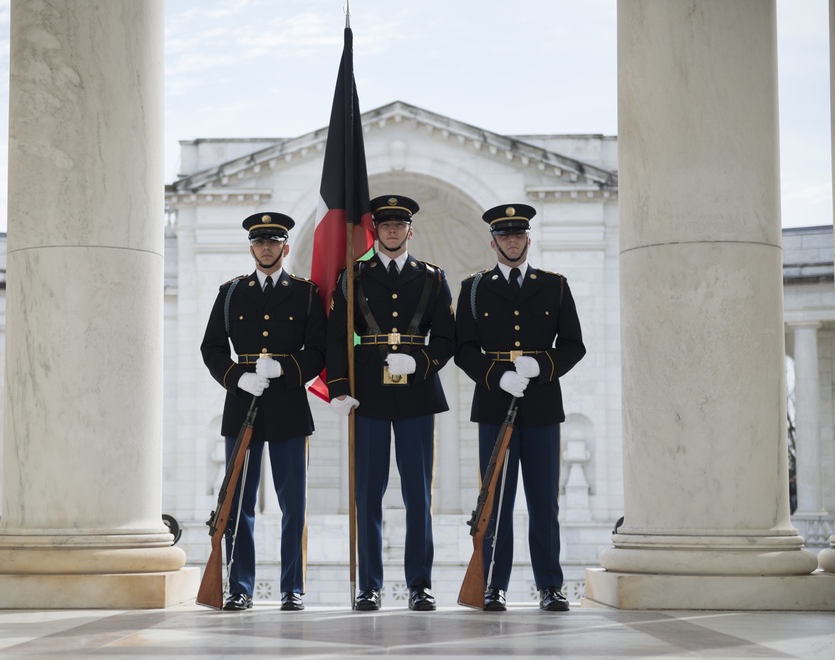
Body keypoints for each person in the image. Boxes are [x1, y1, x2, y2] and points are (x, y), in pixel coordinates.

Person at [326, 195, 456, 612]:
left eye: (400, 225)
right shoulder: (354, 276)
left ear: (410, 230)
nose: (393, 231)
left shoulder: (433, 278)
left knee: (419, 494)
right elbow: (336, 336)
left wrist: (420, 362)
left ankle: (420, 584)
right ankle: (370, 585)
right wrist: (340, 387)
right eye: (386, 225)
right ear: (376, 231)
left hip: (417, 392)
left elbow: (448, 338)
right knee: (369, 493)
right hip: (369, 392)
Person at [455, 203, 586, 612]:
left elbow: (573, 345)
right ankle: (494, 584)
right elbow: (463, 350)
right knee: (496, 499)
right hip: (495, 404)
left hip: (542, 405)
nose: (512, 241)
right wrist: (498, 375)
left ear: (528, 239)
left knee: (544, 501)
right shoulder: (473, 287)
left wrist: (541, 365)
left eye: (518, 235)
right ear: (493, 242)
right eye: (504, 236)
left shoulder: (554, 286)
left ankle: (550, 584)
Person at [200, 212, 327, 612]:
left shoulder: (306, 294)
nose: (267, 248)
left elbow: (319, 351)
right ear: (251, 247)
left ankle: (293, 587)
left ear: (286, 247)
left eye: (274, 241)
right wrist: (236, 377)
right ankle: (240, 586)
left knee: (293, 504)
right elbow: (213, 348)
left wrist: (286, 368)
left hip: (288, 403)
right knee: (238, 501)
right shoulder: (232, 293)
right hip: (243, 403)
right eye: (260, 242)